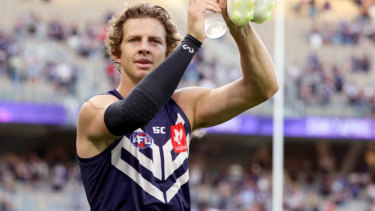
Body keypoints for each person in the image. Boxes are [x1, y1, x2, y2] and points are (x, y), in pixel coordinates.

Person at [75, 0, 278, 210]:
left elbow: (263, 88)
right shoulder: (95, 108)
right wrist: (191, 42)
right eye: (134, 40)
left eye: (154, 41)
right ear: (116, 53)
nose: (144, 48)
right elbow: (134, 113)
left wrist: (237, 22)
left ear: (169, 53)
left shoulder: (185, 106)